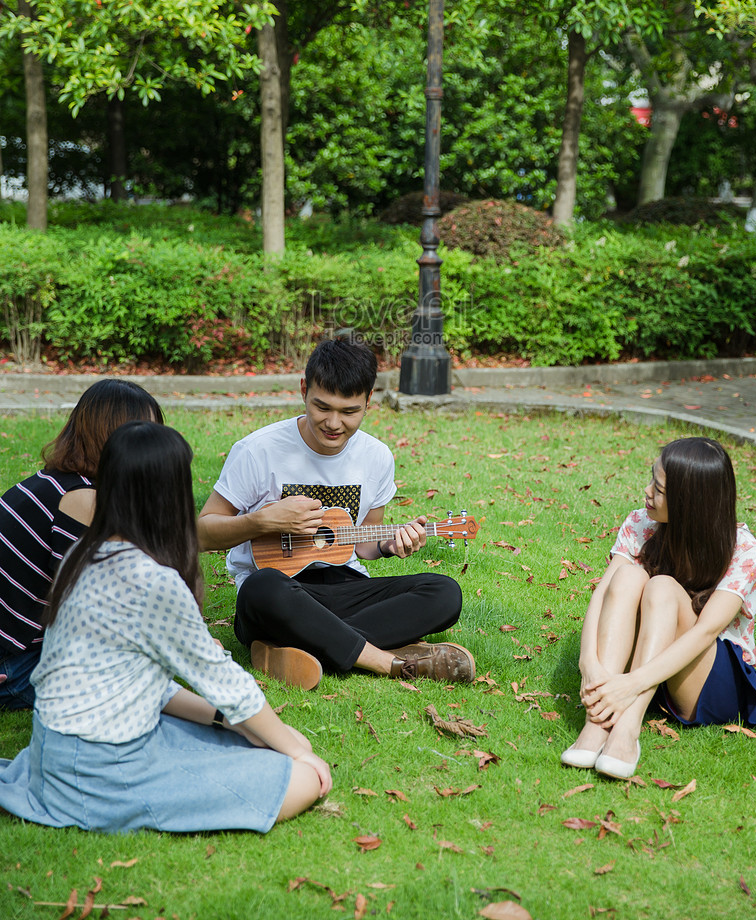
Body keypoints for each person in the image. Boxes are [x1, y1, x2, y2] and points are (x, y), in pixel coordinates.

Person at [0, 421, 331, 832]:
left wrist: (225, 721)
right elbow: (225, 681)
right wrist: (298, 755)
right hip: (101, 774)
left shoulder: (82, 554)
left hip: (52, 755)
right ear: (170, 495)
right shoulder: (152, 581)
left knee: (258, 738)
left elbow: (144, 684)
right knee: (300, 778)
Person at [198, 336, 474, 690]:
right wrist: (261, 521)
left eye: (349, 411)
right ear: (303, 390)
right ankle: (386, 659)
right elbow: (202, 533)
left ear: (368, 401)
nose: (333, 423)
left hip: (347, 591)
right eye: (322, 407)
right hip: (279, 594)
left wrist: (391, 544)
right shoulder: (258, 450)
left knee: (444, 592)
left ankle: (302, 647)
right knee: (261, 588)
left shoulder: (376, 457)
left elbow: (365, 546)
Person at [562, 437, 756, 779]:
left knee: (662, 587)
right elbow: (603, 594)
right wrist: (588, 663)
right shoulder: (640, 523)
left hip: (709, 675)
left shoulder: (745, 551)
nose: (647, 492)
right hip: (652, 664)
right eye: (652, 478)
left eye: (659, 489)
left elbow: (706, 631)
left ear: (691, 502)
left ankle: (627, 729)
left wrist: (630, 684)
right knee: (628, 577)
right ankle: (597, 724)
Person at [0, 378, 164, 710]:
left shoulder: (49, 484)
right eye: (145, 436)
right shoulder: (82, 501)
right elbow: (99, 614)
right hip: (15, 665)